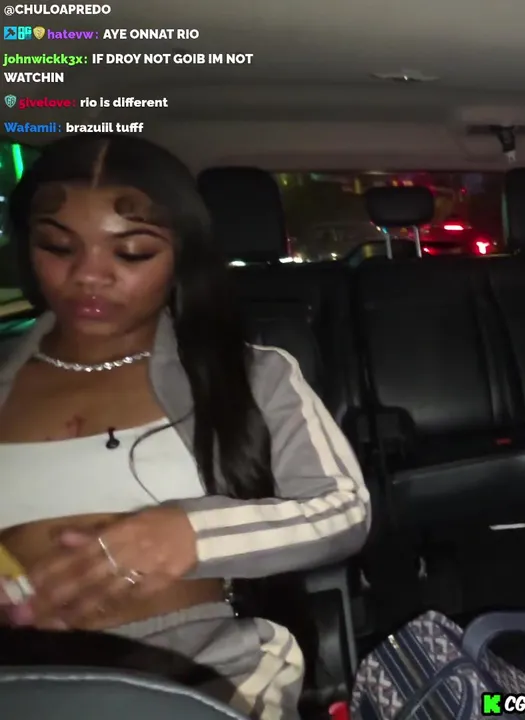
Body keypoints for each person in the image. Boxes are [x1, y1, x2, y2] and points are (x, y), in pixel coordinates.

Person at [0, 134, 371, 720]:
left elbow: (345, 510)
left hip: (202, 670)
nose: (89, 275)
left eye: (131, 253)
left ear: (182, 256)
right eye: (57, 246)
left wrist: (190, 535)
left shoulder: (250, 374)